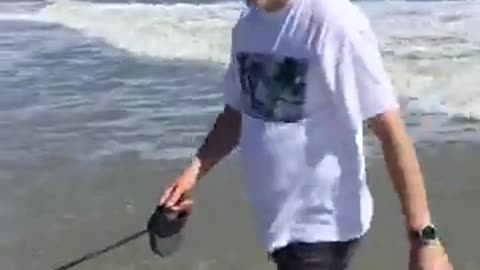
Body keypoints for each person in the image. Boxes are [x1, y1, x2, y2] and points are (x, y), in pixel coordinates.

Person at [158, 0, 453, 269]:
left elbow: (390, 129)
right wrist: (193, 173)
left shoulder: (334, 22)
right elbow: (237, 113)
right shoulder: (248, 26)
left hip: (323, 226)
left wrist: (424, 236)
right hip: (276, 225)